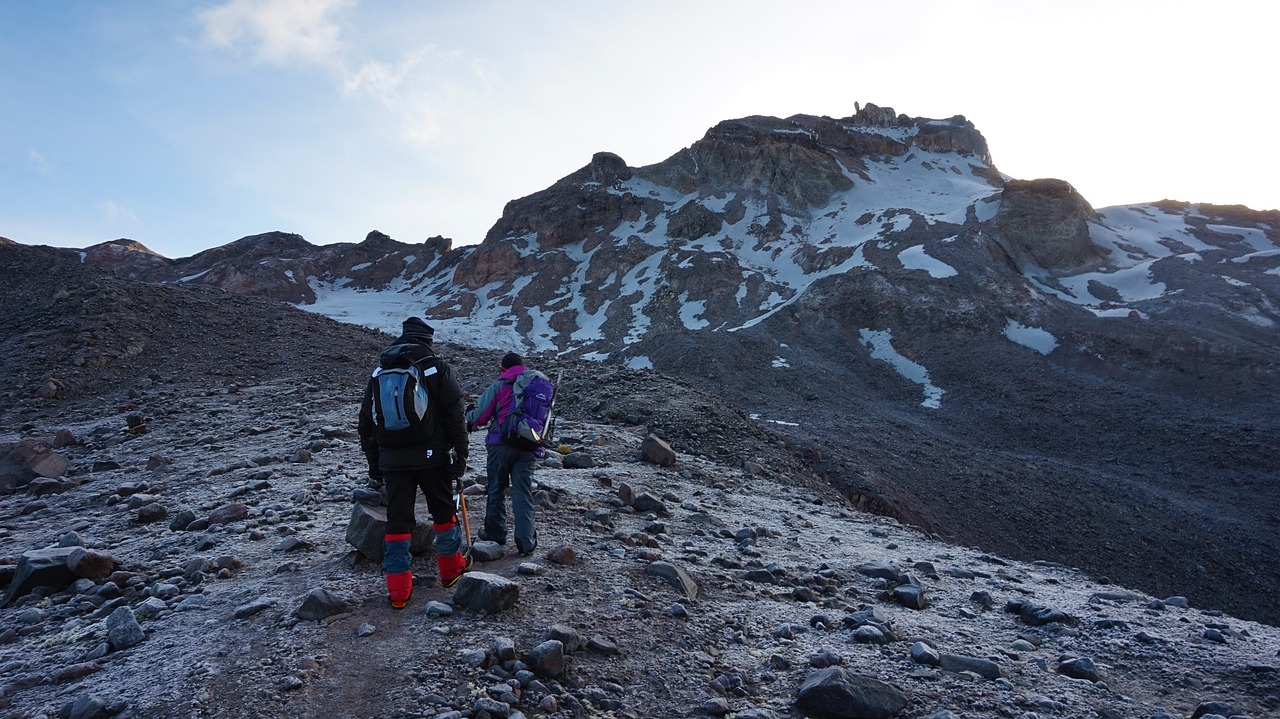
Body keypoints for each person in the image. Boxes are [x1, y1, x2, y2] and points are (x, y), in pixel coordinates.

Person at [357, 317, 470, 608]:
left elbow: (366, 423)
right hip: (433, 457)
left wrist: (375, 465)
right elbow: (455, 416)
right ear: (427, 340)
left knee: (397, 522)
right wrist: (461, 456)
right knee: (444, 513)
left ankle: (398, 592)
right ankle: (450, 573)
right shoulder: (436, 367)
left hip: (392, 461)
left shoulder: (381, 370)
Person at [465, 352, 542, 556]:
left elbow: (481, 417)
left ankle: (495, 534)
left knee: (496, 489)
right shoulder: (535, 385)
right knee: (523, 492)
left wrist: (468, 415)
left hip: (500, 444)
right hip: (528, 446)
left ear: (503, 369)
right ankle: (526, 542)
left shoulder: (499, 385)